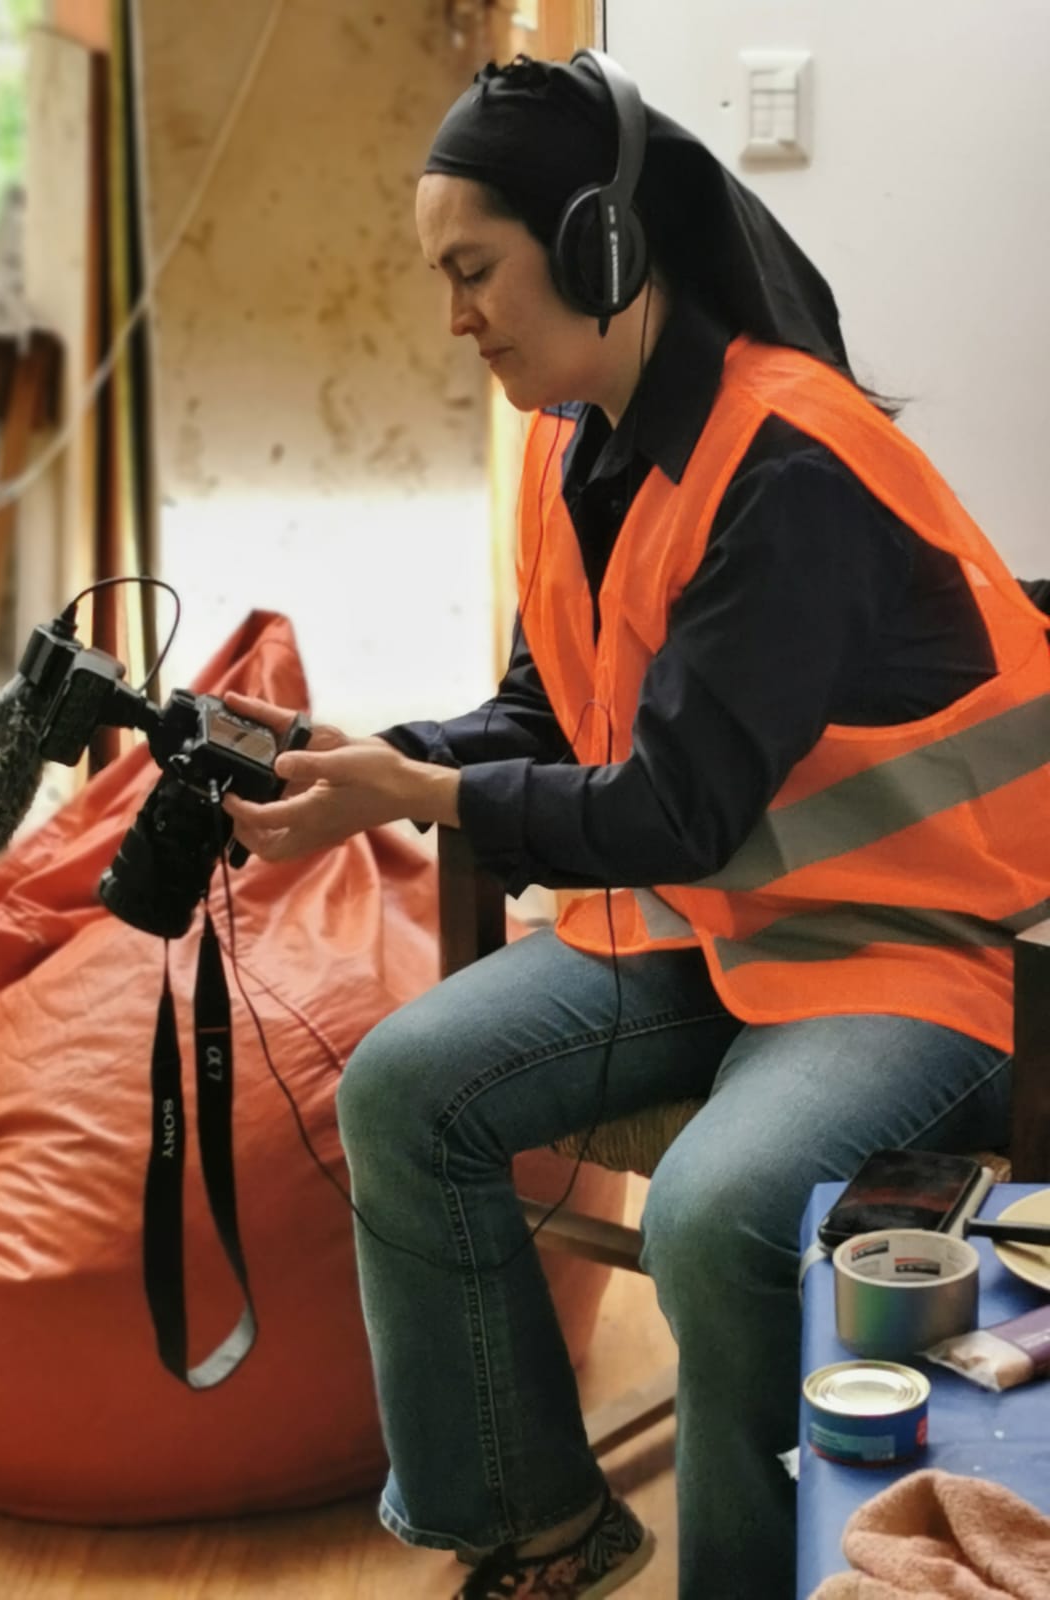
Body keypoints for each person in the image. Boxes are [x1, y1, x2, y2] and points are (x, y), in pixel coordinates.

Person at [223, 50, 1050, 1600]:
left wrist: (428, 796)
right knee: (404, 1088)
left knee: (720, 1207)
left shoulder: (791, 466)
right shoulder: (567, 441)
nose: (451, 316)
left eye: (473, 272)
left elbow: (677, 803)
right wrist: (370, 759)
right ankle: (536, 1526)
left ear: (600, 245)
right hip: (708, 930)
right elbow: (547, 715)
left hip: (916, 952)